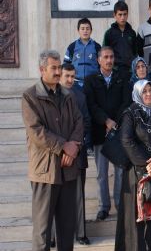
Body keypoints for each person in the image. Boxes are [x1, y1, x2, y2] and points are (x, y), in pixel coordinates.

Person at [21, 50, 83, 251]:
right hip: (45, 172)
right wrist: (63, 146)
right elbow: (36, 131)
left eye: (59, 67)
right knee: (43, 232)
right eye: (53, 68)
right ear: (42, 70)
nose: (58, 72)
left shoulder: (68, 95)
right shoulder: (30, 97)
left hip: (68, 170)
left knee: (66, 229)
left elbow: (79, 122)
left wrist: (73, 147)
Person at [116, 79, 151, 251]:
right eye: (145, 91)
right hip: (137, 174)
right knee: (137, 222)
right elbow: (126, 141)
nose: (148, 94)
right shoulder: (130, 113)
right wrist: (147, 165)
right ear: (138, 93)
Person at [84, 46, 131, 221]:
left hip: (118, 133)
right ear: (98, 59)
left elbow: (126, 102)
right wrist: (105, 121)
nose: (109, 60)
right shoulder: (90, 80)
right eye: (105, 57)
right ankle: (103, 207)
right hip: (99, 132)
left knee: (119, 172)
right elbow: (91, 105)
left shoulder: (122, 77)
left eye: (111, 57)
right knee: (101, 173)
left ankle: (120, 205)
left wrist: (114, 122)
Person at [60, 63, 91, 245]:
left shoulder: (80, 95)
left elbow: (86, 122)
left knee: (78, 195)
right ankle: (56, 235)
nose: (70, 80)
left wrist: (75, 146)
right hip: (58, 154)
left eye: (73, 76)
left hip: (77, 153)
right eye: (67, 76)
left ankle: (80, 233)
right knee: (56, 197)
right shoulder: (52, 95)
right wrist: (64, 147)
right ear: (60, 76)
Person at [63, 18, 101, 88]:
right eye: (82, 29)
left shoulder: (97, 46)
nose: (85, 31)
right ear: (78, 31)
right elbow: (66, 65)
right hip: (75, 83)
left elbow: (101, 65)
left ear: (91, 31)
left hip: (93, 83)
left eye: (87, 29)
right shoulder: (72, 46)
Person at [103, 1, 138, 77]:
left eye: (125, 14)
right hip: (114, 72)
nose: (122, 17)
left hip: (130, 72)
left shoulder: (132, 33)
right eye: (120, 14)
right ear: (114, 15)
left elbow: (135, 53)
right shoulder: (109, 33)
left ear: (127, 15)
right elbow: (104, 54)